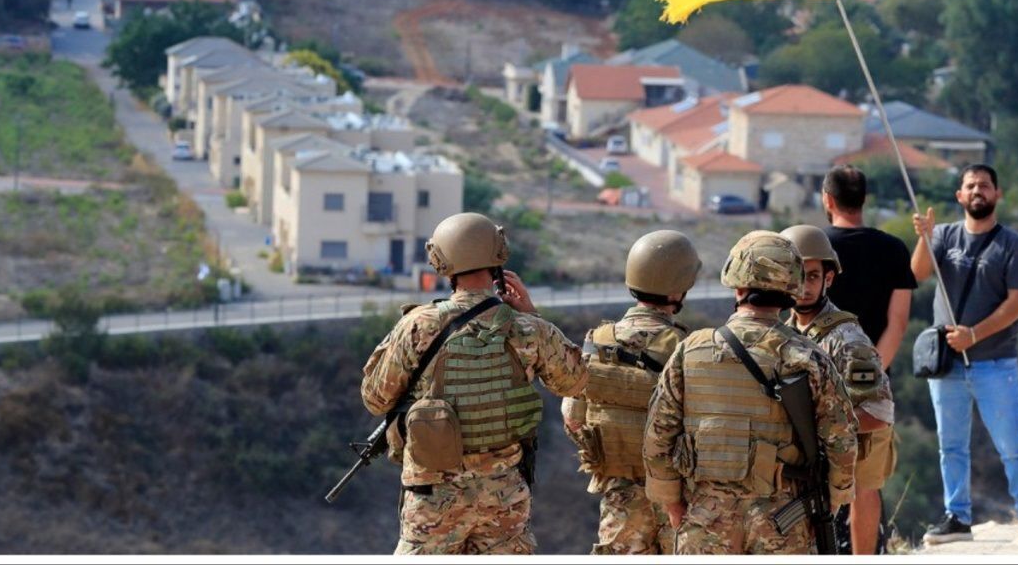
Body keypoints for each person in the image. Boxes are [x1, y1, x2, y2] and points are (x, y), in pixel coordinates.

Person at [361, 212, 589, 555]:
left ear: (441, 262)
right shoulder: (527, 328)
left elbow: (375, 399)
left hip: (432, 497)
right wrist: (532, 314)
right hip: (504, 498)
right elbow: (574, 382)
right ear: (498, 256)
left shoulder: (418, 326)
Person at [642, 231, 856, 554]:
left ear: (737, 286)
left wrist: (672, 503)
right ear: (791, 288)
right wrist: (834, 500)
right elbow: (842, 440)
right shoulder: (809, 357)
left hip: (705, 519)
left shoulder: (689, 351)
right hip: (782, 522)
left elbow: (657, 436)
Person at [911, 164, 1018, 544]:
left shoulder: (1014, 244)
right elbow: (916, 274)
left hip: (995, 363)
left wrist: (975, 335)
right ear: (960, 196)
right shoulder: (943, 236)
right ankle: (957, 517)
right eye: (970, 185)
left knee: (1011, 444)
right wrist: (924, 237)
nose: (977, 190)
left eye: (984, 185)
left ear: (997, 194)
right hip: (947, 364)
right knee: (950, 446)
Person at [562, 230, 701, 555]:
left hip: (619, 499)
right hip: (676, 502)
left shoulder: (597, 340)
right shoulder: (686, 347)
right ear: (678, 288)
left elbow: (573, 418)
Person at [781, 224, 895, 555]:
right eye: (797, 276)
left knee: (861, 494)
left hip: (849, 451)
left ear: (828, 279)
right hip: (805, 458)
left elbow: (879, 413)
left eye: (813, 276)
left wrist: (823, 429)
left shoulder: (847, 338)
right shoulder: (782, 334)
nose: (804, 287)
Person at [821, 165, 917, 370]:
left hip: (817, 372)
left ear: (828, 200)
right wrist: (871, 374)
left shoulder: (813, 247)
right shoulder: (894, 248)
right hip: (873, 373)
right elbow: (898, 323)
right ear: (864, 199)